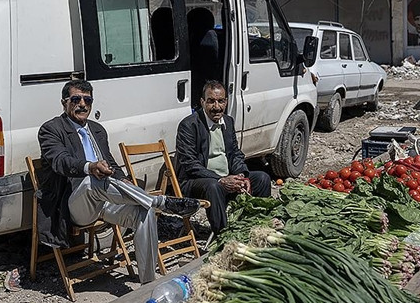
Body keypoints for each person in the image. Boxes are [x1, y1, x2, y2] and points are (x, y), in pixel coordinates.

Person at [37, 79, 201, 284]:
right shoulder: (51, 129)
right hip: (74, 204)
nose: (82, 104)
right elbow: (60, 161)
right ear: (64, 102)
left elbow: (111, 164)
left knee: (144, 212)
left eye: (87, 100)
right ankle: (159, 202)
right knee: (91, 182)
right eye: (76, 99)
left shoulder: (97, 129)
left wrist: (124, 180)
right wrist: (90, 167)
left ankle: (147, 282)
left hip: (106, 201)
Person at [174, 80, 272, 235]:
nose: (216, 107)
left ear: (226, 101)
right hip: (195, 181)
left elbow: (235, 153)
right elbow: (190, 164)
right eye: (211, 101)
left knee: (262, 178)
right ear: (202, 102)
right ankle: (224, 235)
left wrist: (242, 175)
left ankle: (255, 228)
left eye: (221, 101)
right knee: (214, 186)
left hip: (225, 177)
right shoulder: (189, 125)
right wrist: (220, 179)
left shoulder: (228, 121)